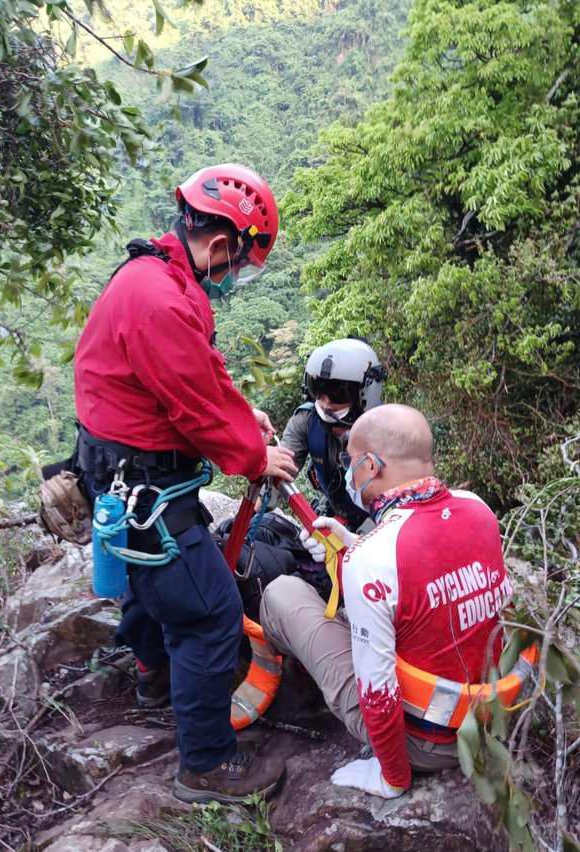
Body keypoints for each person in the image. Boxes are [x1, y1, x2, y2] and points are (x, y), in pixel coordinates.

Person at [74, 163, 297, 804]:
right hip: (143, 487)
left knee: (152, 586)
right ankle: (206, 763)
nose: (234, 277)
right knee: (208, 613)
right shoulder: (165, 299)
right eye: (240, 263)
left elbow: (199, 376)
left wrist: (241, 413)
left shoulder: (154, 277)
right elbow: (197, 409)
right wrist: (257, 457)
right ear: (223, 243)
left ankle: (154, 676)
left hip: (119, 475)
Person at [260, 404, 512, 797]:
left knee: (281, 593)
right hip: (492, 719)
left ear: (372, 466)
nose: (349, 473)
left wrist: (392, 777)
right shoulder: (476, 507)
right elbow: (428, 570)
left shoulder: (375, 558)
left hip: (428, 744)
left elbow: (378, 691)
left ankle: (273, 680)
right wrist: (352, 545)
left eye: (351, 463)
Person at [281, 338, 385, 532]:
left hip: (380, 522)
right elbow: (282, 468)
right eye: (319, 390)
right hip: (334, 512)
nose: (327, 402)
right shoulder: (306, 419)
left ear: (364, 392)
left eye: (338, 392)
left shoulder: (387, 430)